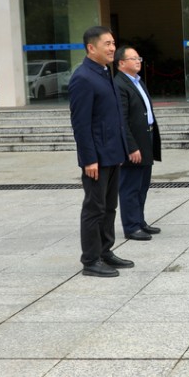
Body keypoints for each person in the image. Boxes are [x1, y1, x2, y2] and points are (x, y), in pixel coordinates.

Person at [68, 26, 134, 278]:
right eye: (106, 43)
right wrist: (89, 159)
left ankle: (106, 251)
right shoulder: (83, 78)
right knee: (94, 208)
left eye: (113, 43)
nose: (111, 48)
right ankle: (91, 260)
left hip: (112, 153)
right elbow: (81, 124)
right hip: (96, 157)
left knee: (109, 207)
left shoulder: (105, 73)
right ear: (91, 48)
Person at [114, 46, 162, 241]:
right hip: (134, 144)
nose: (138, 61)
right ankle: (131, 226)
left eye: (138, 57)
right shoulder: (119, 85)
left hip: (146, 139)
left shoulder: (138, 82)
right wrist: (131, 147)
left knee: (142, 185)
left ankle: (140, 221)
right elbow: (121, 120)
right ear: (121, 63)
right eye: (133, 58)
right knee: (130, 186)